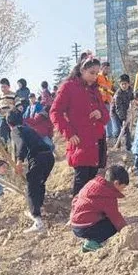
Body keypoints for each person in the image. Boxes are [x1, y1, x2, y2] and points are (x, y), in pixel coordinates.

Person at [50, 56, 110, 196]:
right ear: (82, 70)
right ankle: (77, 216)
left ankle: (89, 215)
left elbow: (106, 116)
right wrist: (69, 133)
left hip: (97, 142)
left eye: (96, 73)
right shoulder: (69, 87)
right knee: (81, 184)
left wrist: (100, 114)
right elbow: (55, 112)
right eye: (91, 73)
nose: (95, 77)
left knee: (92, 185)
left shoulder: (95, 90)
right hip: (81, 143)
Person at [7, 109, 55, 233]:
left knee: (31, 187)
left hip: (38, 158)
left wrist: (19, 161)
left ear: (9, 123)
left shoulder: (16, 130)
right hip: (49, 157)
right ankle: (39, 206)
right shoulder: (28, 129)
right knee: (39, 183)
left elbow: (21, 144)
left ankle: (37, 220)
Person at [70, 165, 128, 252]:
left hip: (75, 224)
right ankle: (92, 243)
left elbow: (76, 199)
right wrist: (126, 230)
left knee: (106, 218)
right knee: (112, 226)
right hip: (84, 227)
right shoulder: (108, 195)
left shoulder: (93, 183)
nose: (122, 190)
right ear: (116, 183)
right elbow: (115, 217)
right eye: (122, 187)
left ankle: (91, 238)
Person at [111, 74, 134, 149]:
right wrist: (123, 119)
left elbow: (132, 98)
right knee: (117, 131)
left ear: (129, 83)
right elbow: (118, 108)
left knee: (126, 131)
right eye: (122, 84)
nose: (124, 86)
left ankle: (128, 148)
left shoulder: (130, 90)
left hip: (124, 112)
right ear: (120, 84)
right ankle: (117, 146)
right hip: (115, 113)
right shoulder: (118, 94)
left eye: (125, 84)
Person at [97, 61, 115, 138]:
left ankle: (109, 135)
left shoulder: (108, 79)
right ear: (101, 68)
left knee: (108, 118)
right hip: (100, 101)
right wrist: (102, 89)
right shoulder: (98, 77)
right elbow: (96, 87)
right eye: (105, 68)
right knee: (100, 119)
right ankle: (101, 134)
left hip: (107, 101)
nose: (107, 70)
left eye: (108, 69)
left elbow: (110, 90)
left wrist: (113, 93)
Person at [0, 78, 17, 143]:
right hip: (3, 118)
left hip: (12, 119)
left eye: (4, 87)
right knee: (2, 135)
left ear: (9, 87)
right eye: (1, 87)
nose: (3, 89)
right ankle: (4, 151)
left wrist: (13, 108)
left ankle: (15, 150)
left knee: (13, 136)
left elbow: (19, 105)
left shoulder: (14, 95)